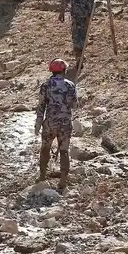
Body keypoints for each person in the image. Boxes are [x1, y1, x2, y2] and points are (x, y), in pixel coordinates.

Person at [35, 58, 77, 191]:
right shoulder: (70, 85)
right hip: (65, 123)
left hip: (50, 123)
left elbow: (41, 106)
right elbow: (75, 105)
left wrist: (37, 124)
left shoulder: (46, 85)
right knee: (64, 151)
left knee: (45, 148)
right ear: (64, 70)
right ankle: (63, 181)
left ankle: (42, 176)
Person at [60, 0, 106, 70]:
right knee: (85, 33)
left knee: (76, 34)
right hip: (88, 13)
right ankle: (82, 54)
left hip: (76, 13)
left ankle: (79, 57)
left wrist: (62, 12)